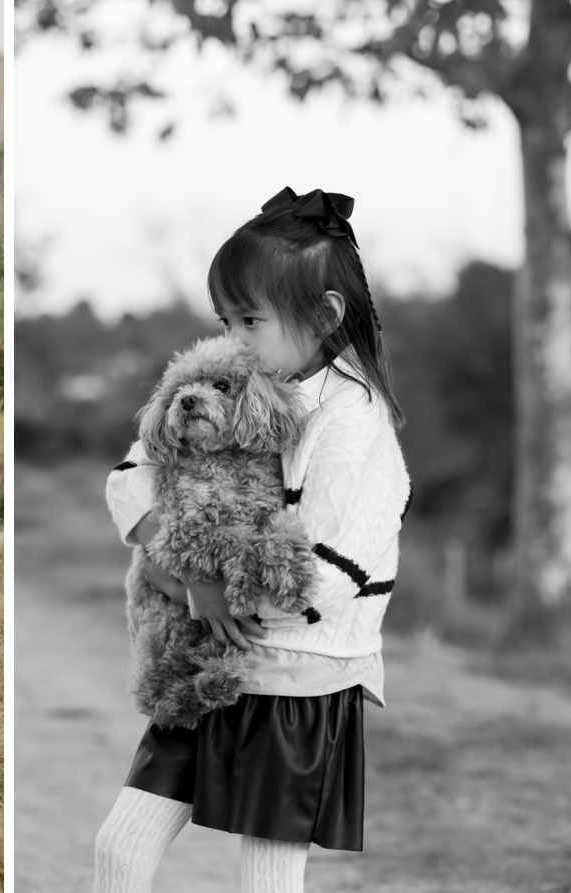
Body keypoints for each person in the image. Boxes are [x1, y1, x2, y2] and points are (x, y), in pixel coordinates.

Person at [97, 188, 412, 893]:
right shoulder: (235, 383)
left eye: (251, 319)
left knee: (267, 880)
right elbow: (131, 477)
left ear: (325, 314)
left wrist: (209, 585)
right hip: (203, 653)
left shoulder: (354, 418)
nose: (236, 338)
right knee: (121, 847)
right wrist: (184, 580)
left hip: (297, 673)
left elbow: (325, 575)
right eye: (225, 319)